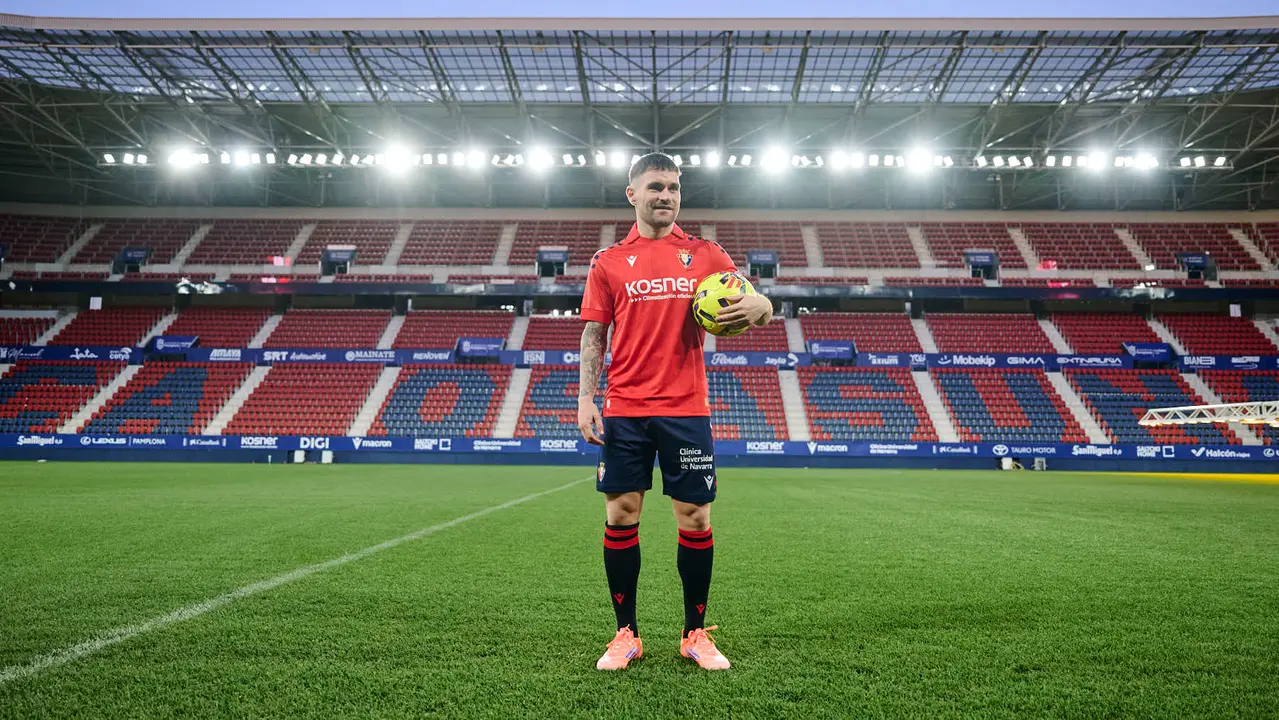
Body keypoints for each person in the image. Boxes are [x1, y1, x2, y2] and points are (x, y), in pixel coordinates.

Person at [576, 152, 773, 671]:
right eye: (656, 186)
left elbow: (753, 304)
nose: (666, 195)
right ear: (633, 194)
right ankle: (626, 634)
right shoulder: (609, 262)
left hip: (686, 408)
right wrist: (584, 398)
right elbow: (595, 333)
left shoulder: (707, 254)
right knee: (621, 514)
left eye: (674, 187)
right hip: (625, 408)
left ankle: (694, 633)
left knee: (695, 516)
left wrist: (763, 307)